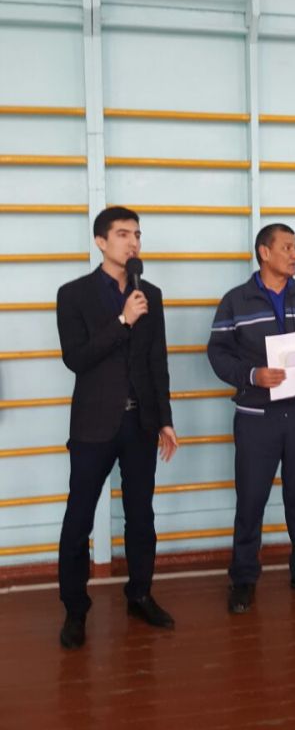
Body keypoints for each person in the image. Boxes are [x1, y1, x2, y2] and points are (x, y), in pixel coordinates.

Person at [56, 206, 178, 649]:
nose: (133, 242)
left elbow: (157, 362)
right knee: (79, 518)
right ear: (101, 242)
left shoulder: (151, 294)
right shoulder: (73, 295)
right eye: (123, 234)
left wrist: (165, 420)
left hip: (140, 423)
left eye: (137, 234)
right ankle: (75, 609)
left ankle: (140, 594)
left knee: (141, 515)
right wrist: (123, 320)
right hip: (93, 425)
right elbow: (76, 358)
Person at [207, 223, 295, 613]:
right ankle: (244, 578)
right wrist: (252, 375)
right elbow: (217, 353)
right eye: (287, 247)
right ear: (264, 253)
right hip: (256, 418)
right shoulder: (235, 302)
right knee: (250, 499)